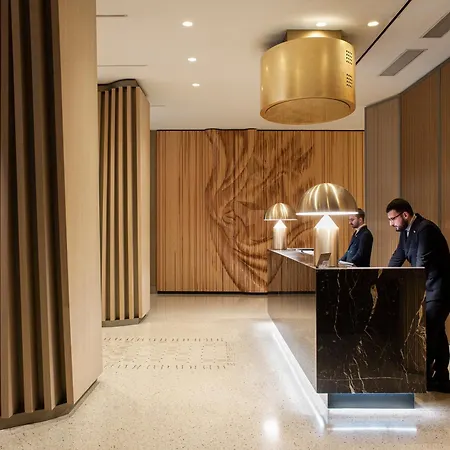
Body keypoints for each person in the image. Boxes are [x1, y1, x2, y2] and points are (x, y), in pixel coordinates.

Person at [386, 198, 450, 393]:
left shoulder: (425, 229)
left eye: (393, 219)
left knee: (429, 332)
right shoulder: (406, 232)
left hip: (439, 290)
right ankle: (441, 377)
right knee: (437, 332)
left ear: (405, 214)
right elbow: (398, 257)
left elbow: (421, 265)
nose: (391, 224)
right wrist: (384, 278)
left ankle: (425, 377)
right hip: (429, 290)